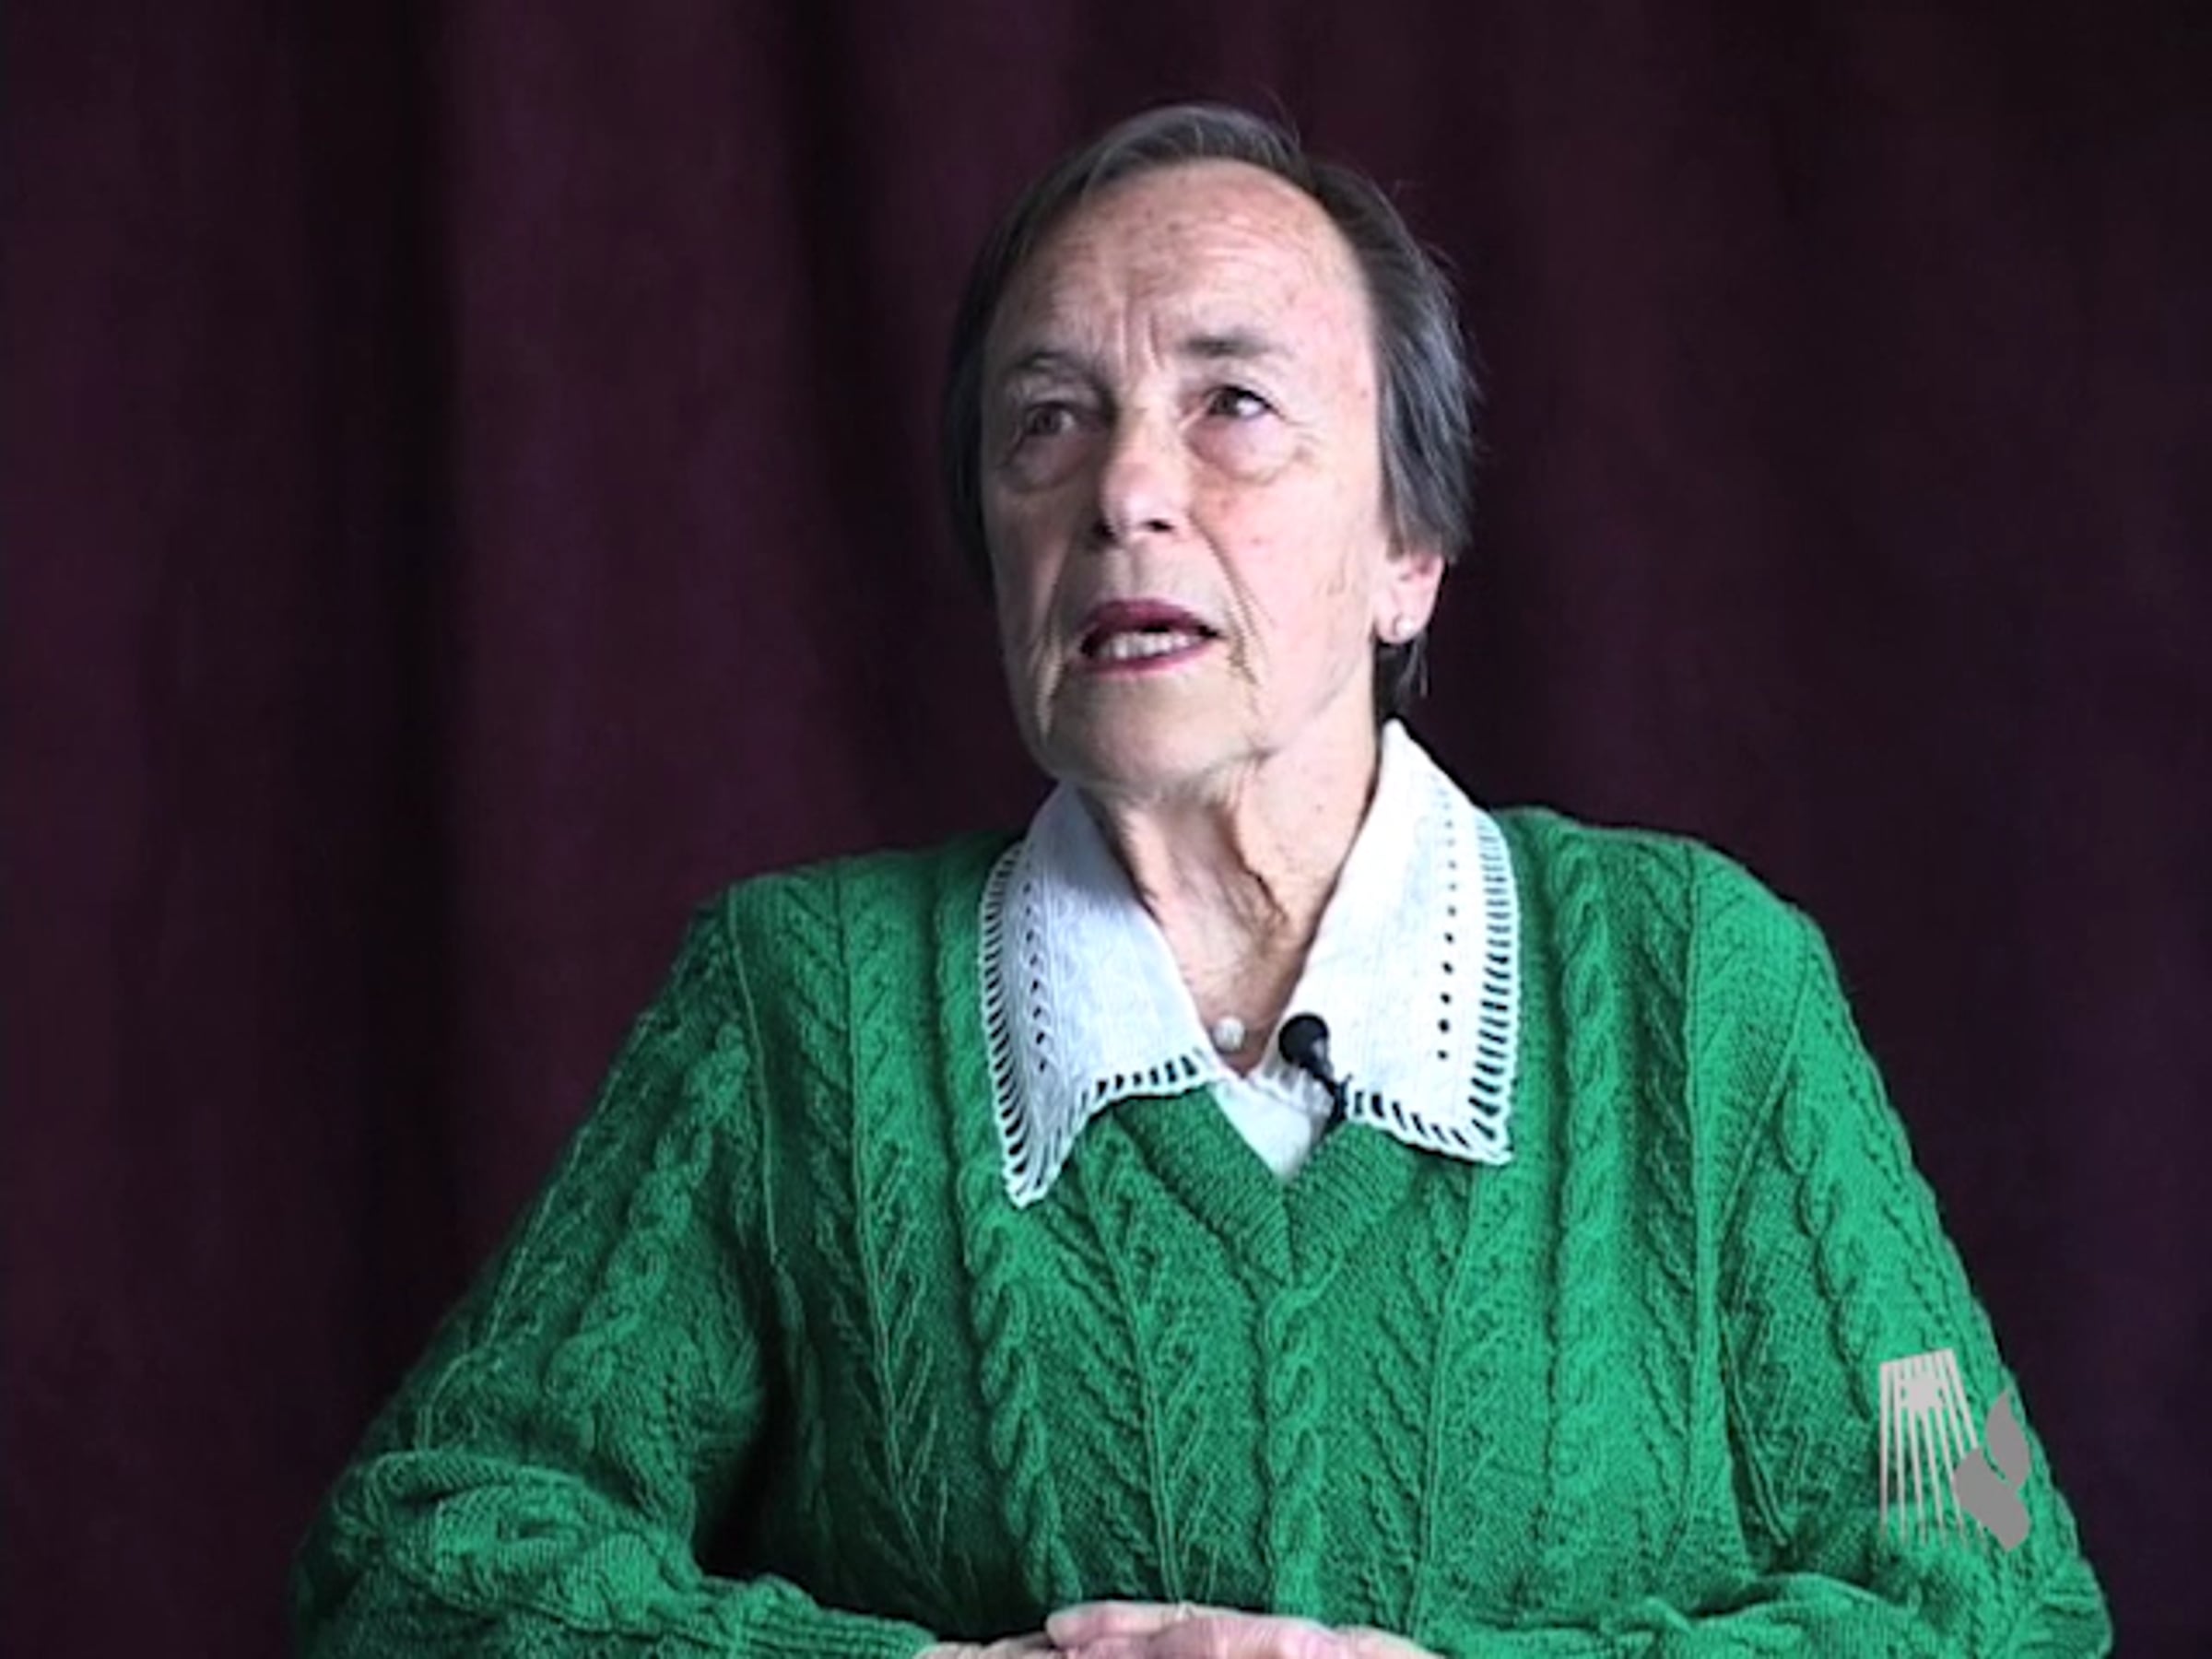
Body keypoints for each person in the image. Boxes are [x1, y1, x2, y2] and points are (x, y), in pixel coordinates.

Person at [292, 102, 2113, 1656]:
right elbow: (424, 1558)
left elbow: (1996, 1570)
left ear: (1409, 552)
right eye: (1047, 421)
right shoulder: (798, 1015)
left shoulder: (1706, 992)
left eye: (1232, 403)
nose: (1123, 493)